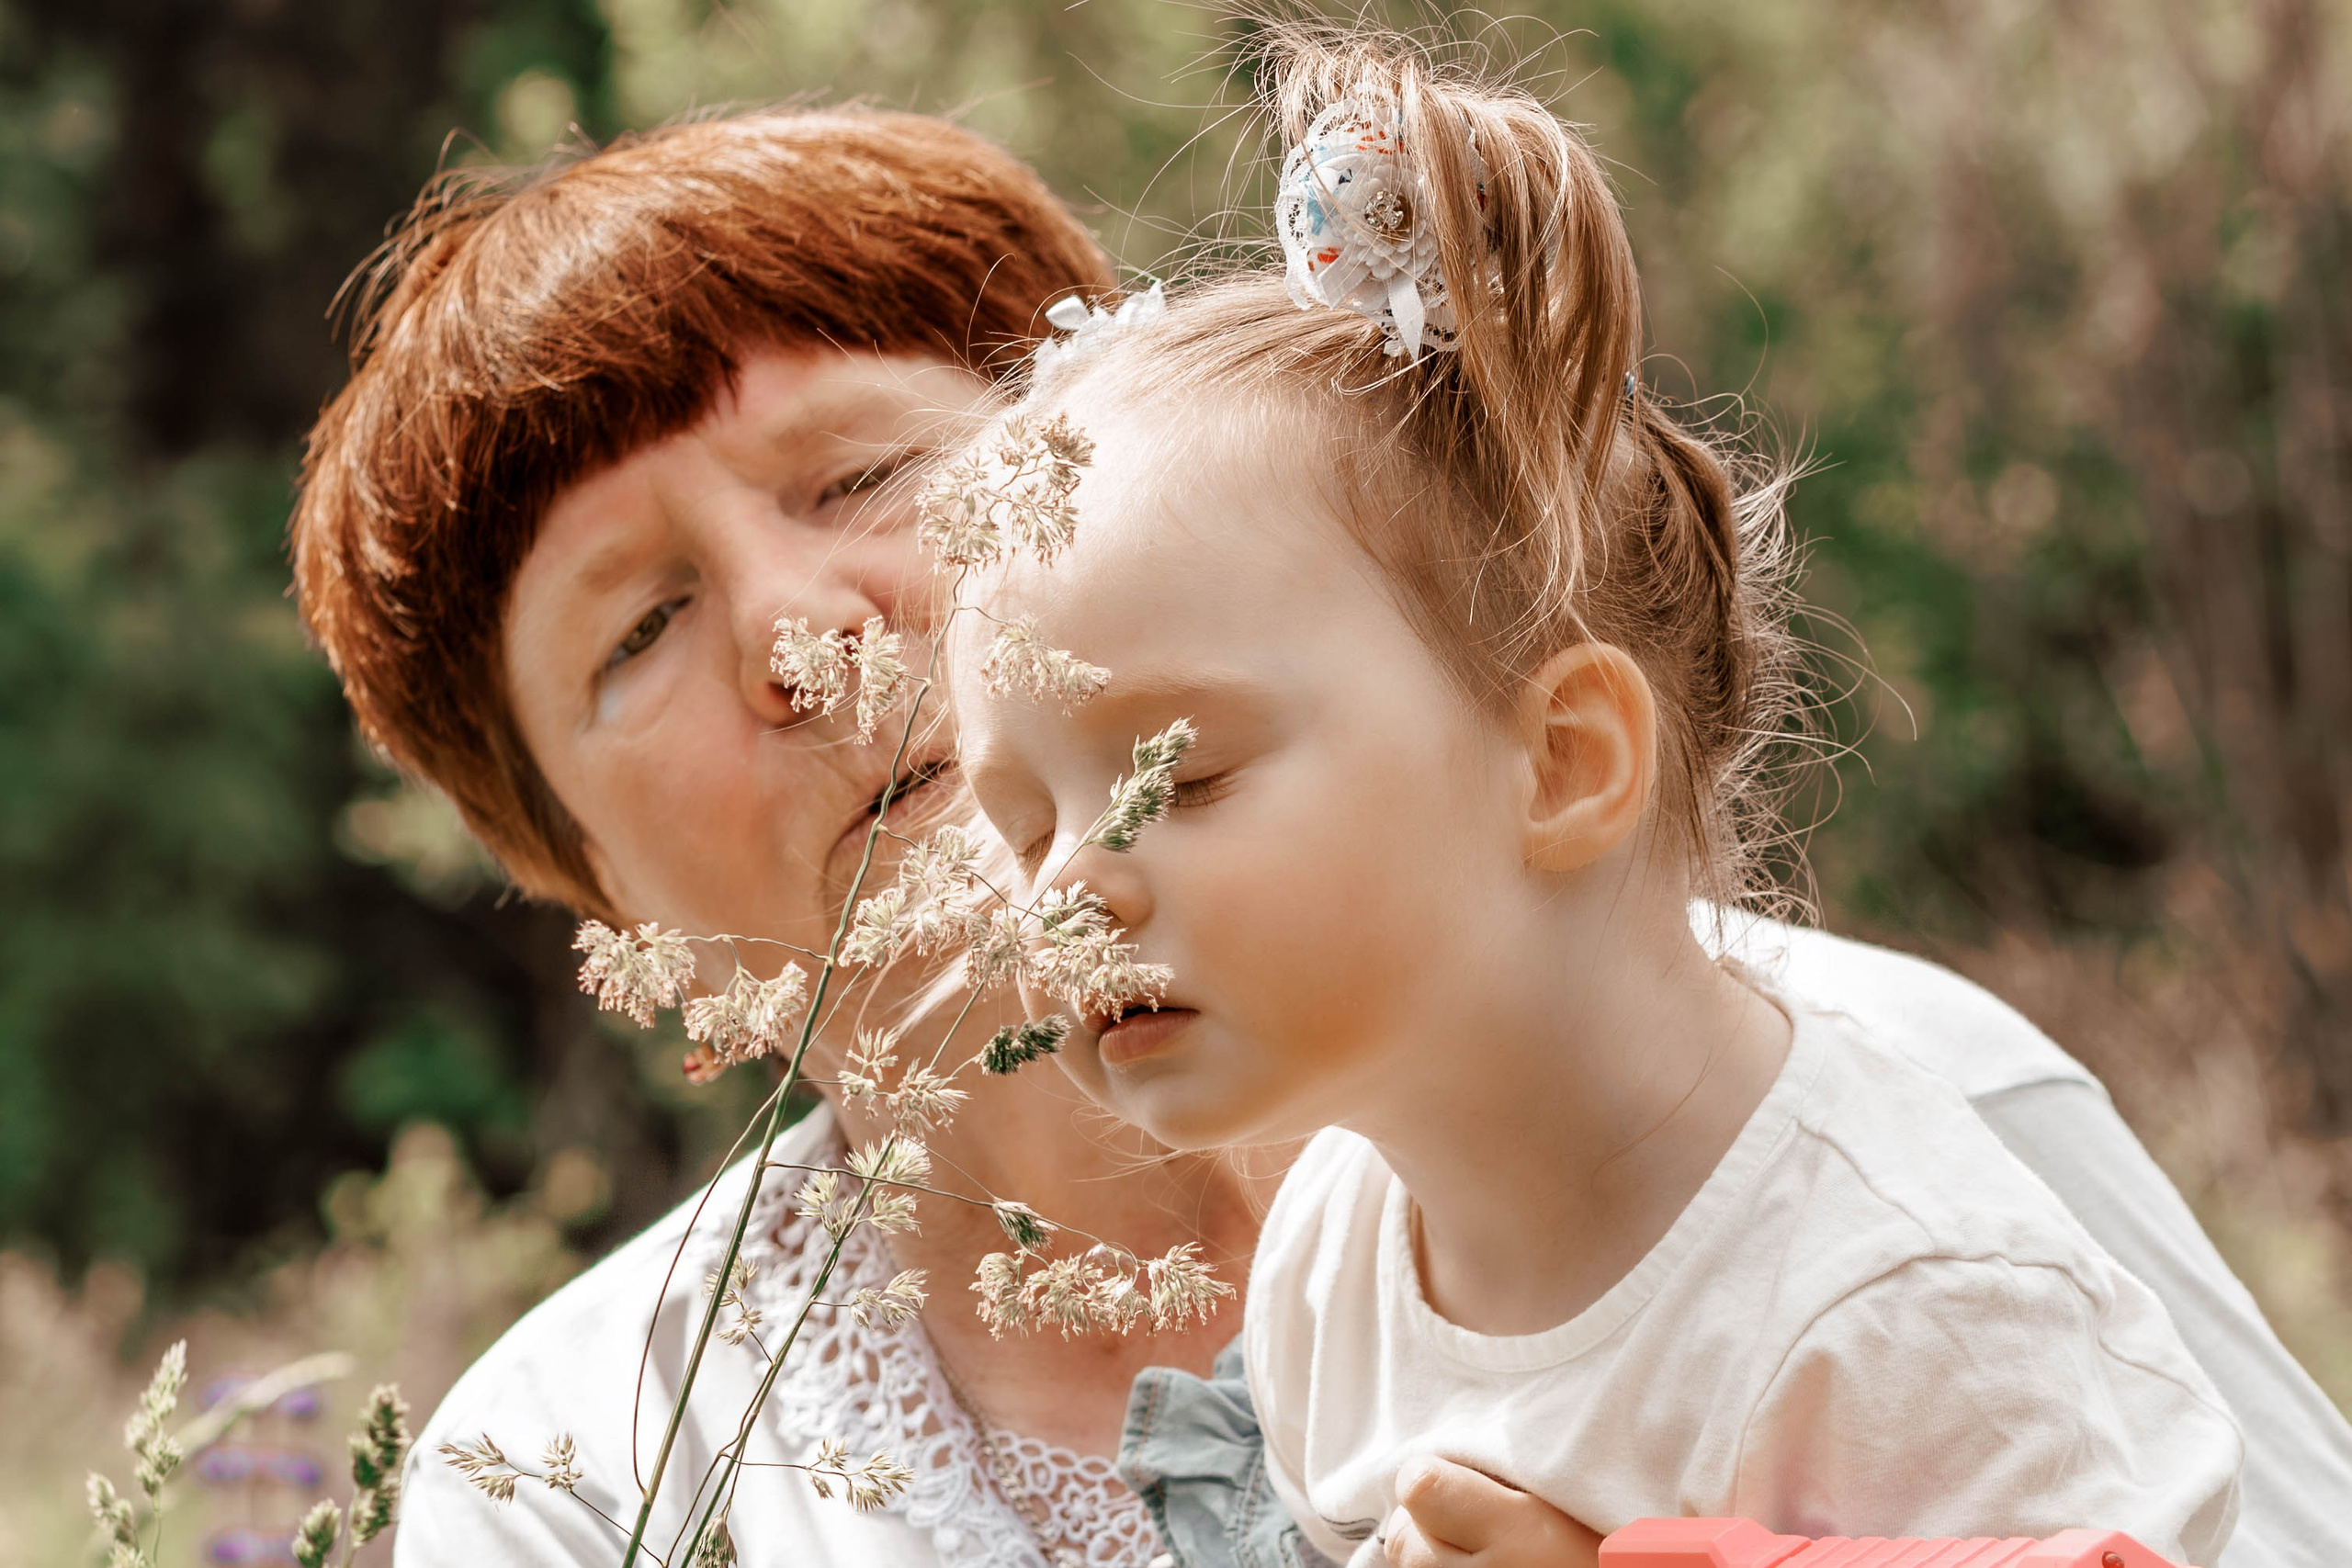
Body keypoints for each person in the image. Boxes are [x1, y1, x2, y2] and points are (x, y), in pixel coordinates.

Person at [285, 98, 2352, 1568]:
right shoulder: (576, 1477)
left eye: (860, 478)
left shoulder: (1900, 1111)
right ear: (561, 862)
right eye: (636, 626)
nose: (800, 635)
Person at [943, 30, 2242, 1565]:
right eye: (1020, 828)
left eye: (1190, 772)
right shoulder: (1331, 1258)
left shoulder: (1911, 1305)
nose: (1065, 891)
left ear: (1562, 762)